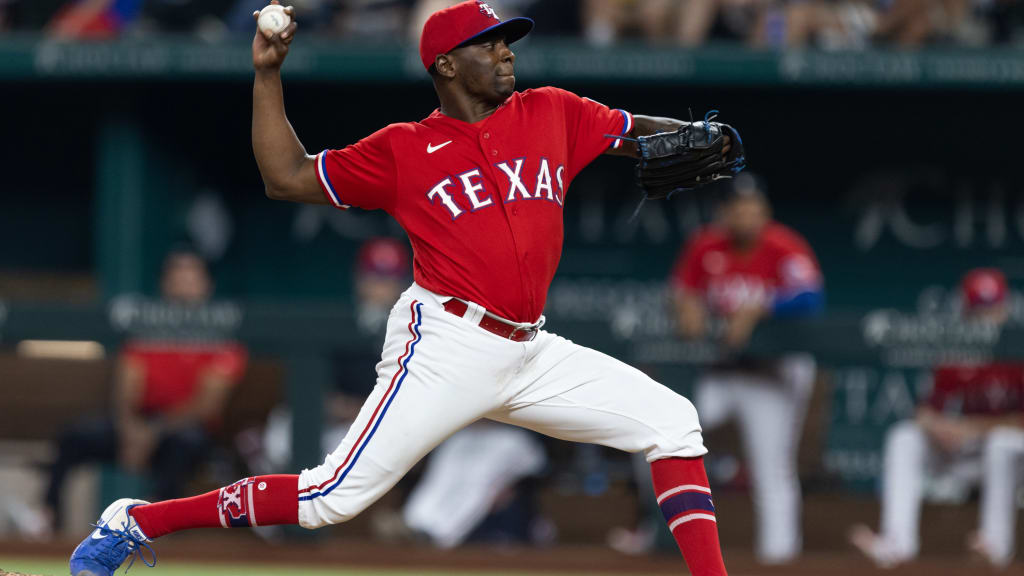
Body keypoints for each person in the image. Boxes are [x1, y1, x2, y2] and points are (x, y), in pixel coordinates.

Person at [69, 3, 735, 575]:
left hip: (530, 350)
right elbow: (287, 177)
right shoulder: (404, 148)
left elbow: (629, 132)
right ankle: (137, 521)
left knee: (673, 422)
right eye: (490, 43)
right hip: (445, 341)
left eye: (508, 40)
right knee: (329, 498)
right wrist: (267, 74)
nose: (507, 53)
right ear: (445, 64)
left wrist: (690, 135)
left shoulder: (551, 112)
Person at [670, 175, 824, 564]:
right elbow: (682, 290)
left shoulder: (783, 245)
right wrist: (685, 303)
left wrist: (761, 306)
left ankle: (778, 559)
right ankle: (654, 538)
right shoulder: (706, 245)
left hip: (770, 374)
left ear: (765, 212)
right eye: (739, 208)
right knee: (663, 430)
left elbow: (811, 297)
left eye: (754, 208)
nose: (747, 216)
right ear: (724, 213)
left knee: (772, 468)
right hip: (722, 372)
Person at [40, 249, 247, 537]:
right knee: (75, 436)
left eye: (191, 278)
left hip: (187, 430)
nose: (184, 286)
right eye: (177, 278)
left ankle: (157, 533)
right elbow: (127, 386)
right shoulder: (147, 329)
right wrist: (130, 429)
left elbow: (206, 406)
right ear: (165, 284)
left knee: (183, 445)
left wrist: (153, 432)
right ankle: (47, 521)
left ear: (206, 285)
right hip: (139, 424)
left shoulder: (222, 336)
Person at [850, 267, 1024, 569]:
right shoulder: (957, 352)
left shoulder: (1018, 348)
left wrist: (973, 428)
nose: (986, 319)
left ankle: (995, 547)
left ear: (1005, 308)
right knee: (905, 437)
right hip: (971, 453)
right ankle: (896, 543)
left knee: (1001, 443)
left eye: (991, 309)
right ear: (966, 312)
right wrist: (938, 426)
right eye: (978, 312)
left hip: (1012, 459)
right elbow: (925, 411)